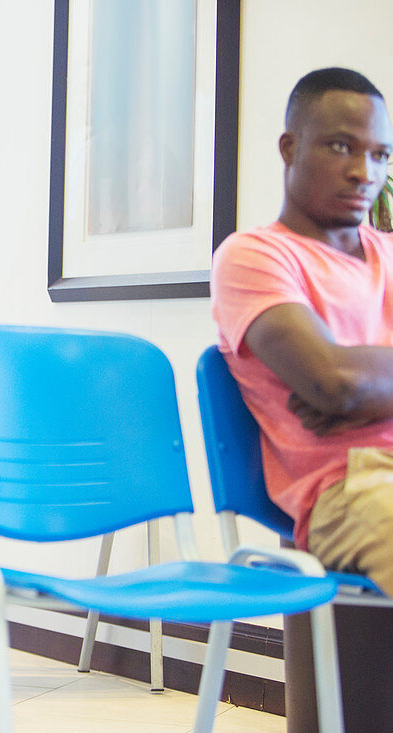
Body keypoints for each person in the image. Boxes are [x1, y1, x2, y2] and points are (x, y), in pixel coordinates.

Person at [211, 67, 393, 595]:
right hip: (353, 486)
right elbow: (335, 383)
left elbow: (350, 384)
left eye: (381, 155)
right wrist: (349, 387)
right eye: (342, 147)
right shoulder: (255, 256)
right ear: (290, 148)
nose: (364, 172)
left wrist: (368, 389)